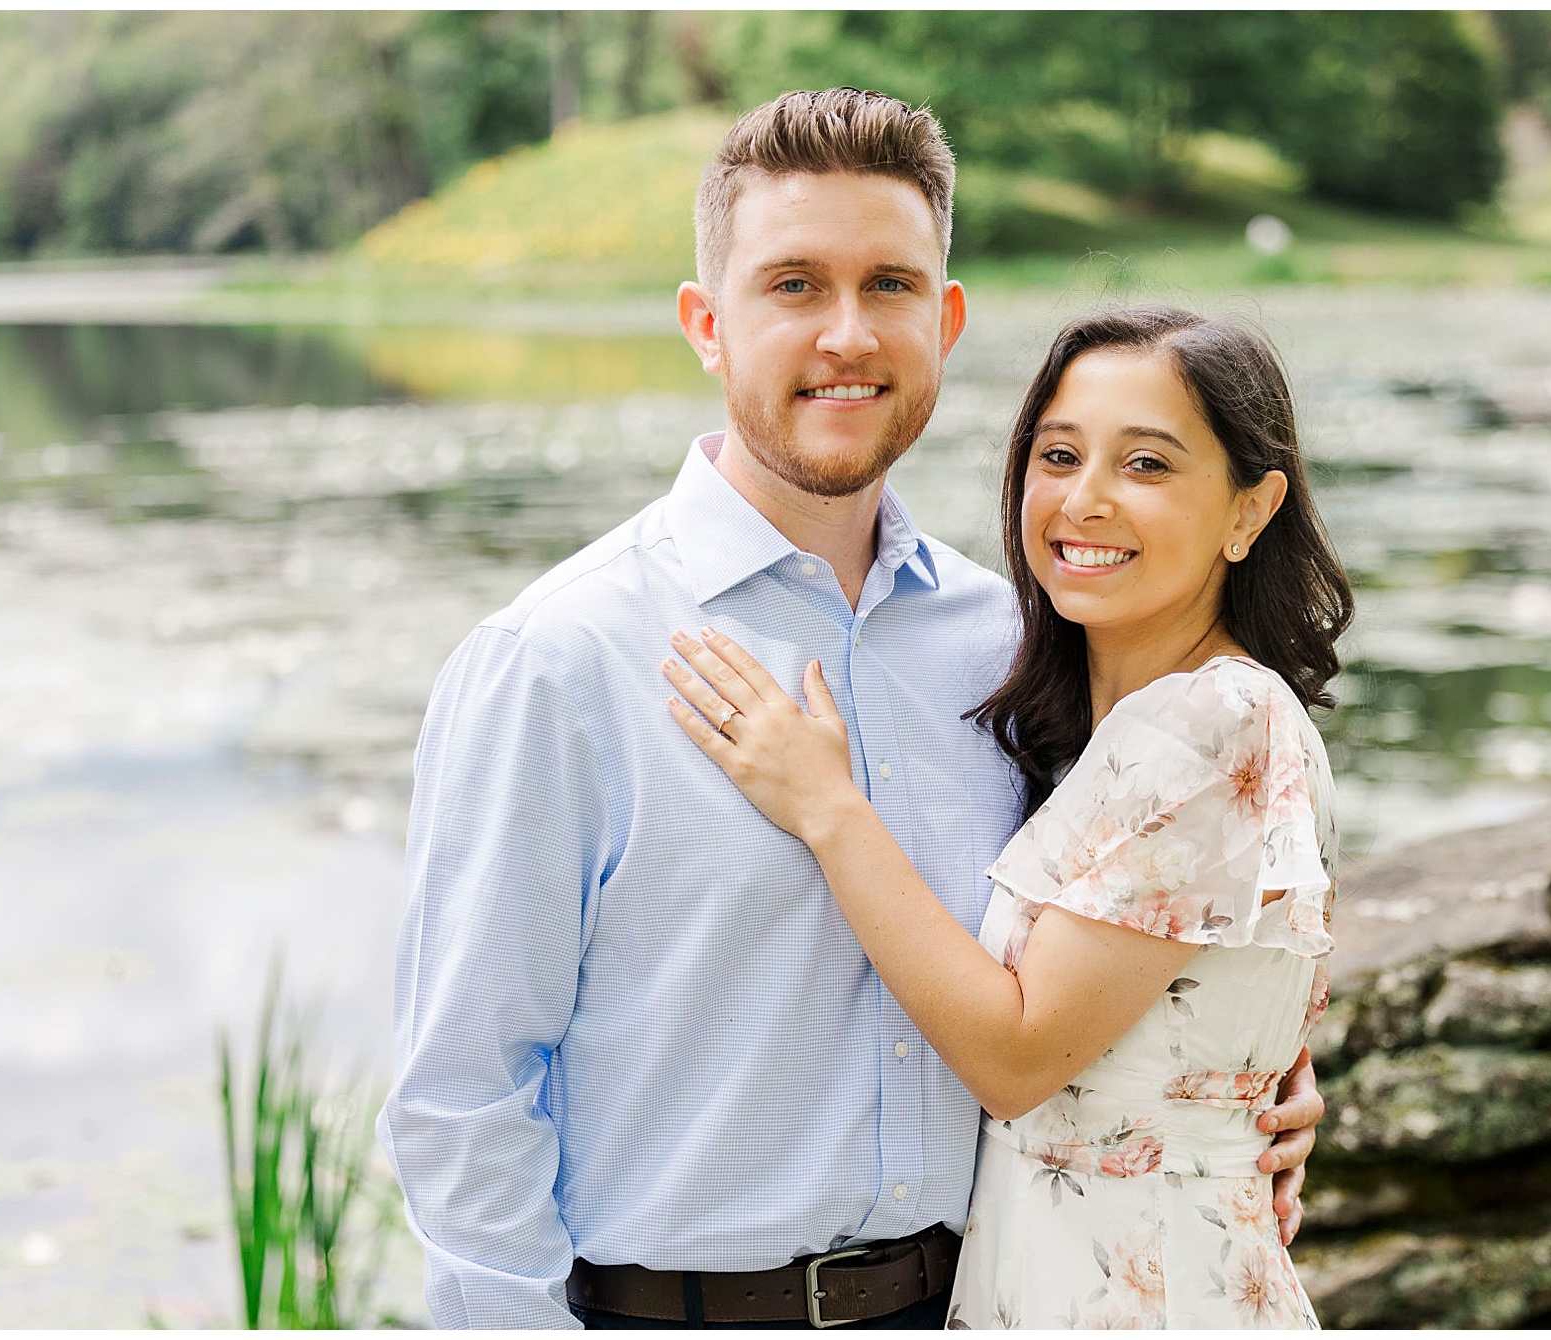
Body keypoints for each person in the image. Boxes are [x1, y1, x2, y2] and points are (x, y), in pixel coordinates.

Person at [379, 89, 1326, 1331]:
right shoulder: (560, 658)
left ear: (944, 321)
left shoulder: (1020, 639)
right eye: (791, 286)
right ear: (706, 324)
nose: (846, 334)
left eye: (887, 285)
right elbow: (462, 1093)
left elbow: (1108, 935)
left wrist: (1238, 1078)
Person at [665, 305, 1352, 1328]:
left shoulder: (1215, 718)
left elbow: (1016, 1055)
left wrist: (825, 806)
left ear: (1248, 511)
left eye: (1147, 465)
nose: (1084, 500)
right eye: (1058, 454)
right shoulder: (1097, 727)